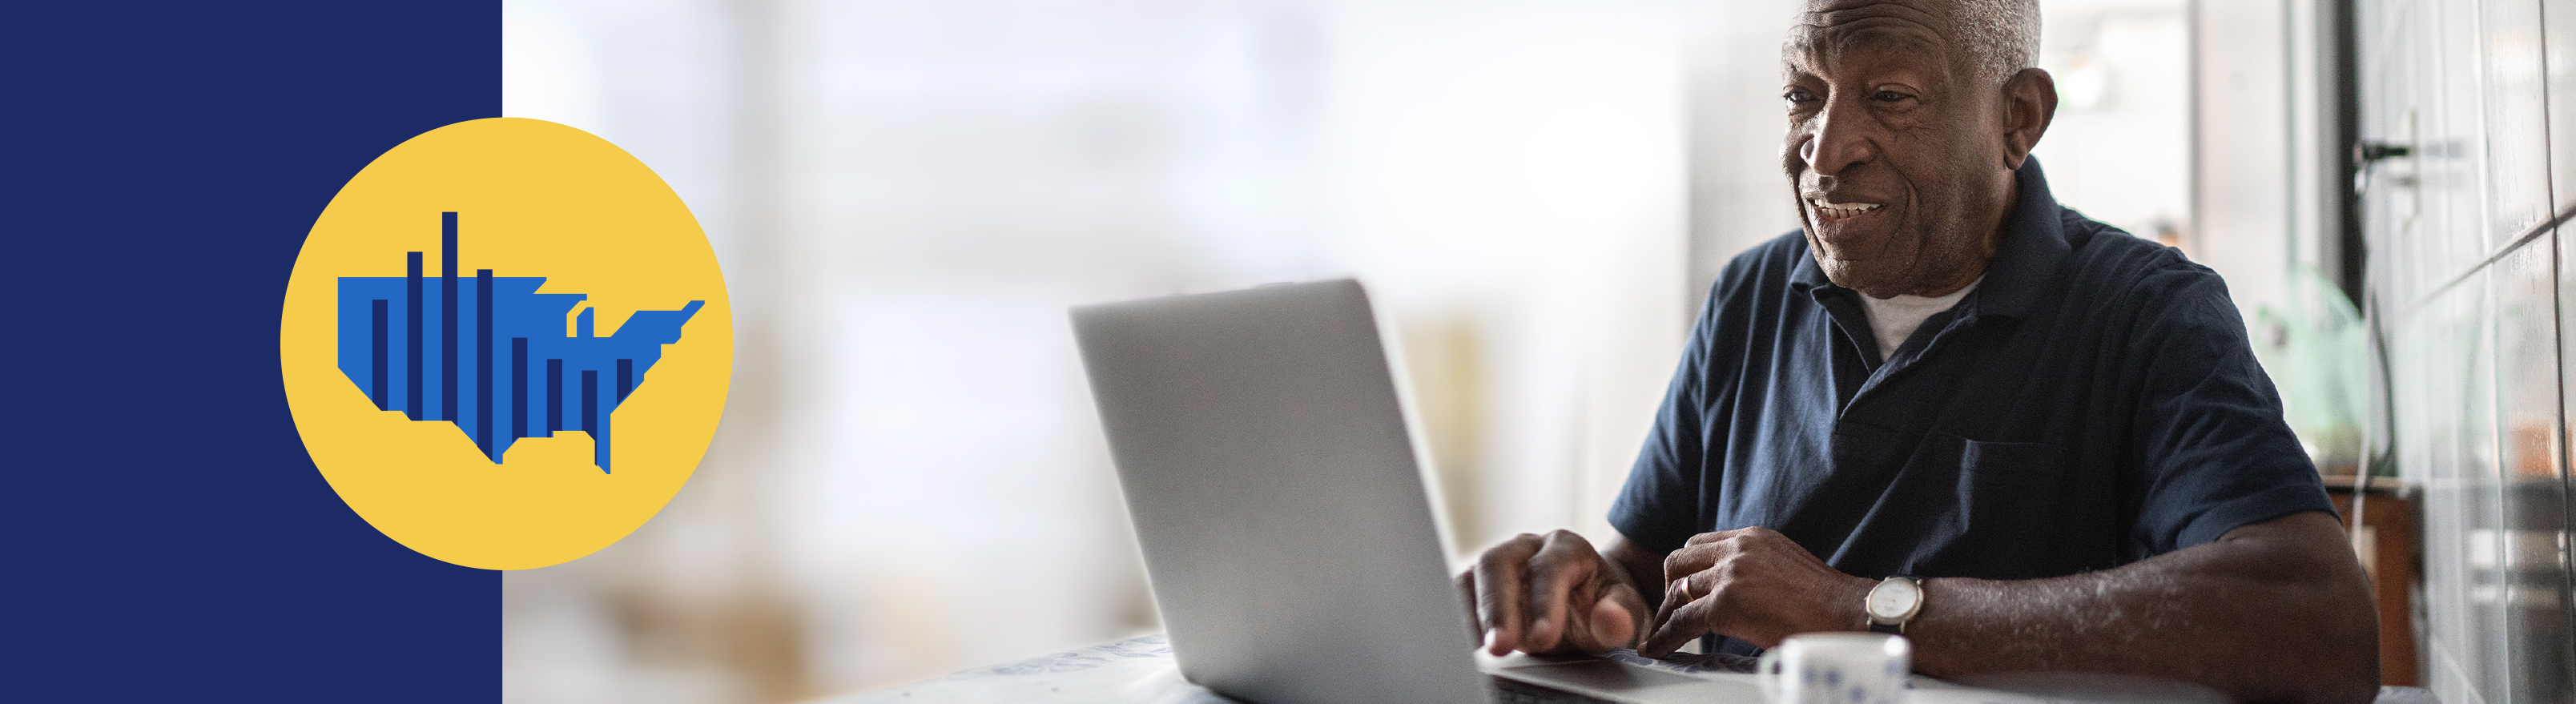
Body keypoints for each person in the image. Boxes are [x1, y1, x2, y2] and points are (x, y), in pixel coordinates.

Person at [1455, 1, 2381, 702]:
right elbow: (1644, 579)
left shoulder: (2149, 314)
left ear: (2018, 119)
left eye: (1889, 97)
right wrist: (1578, 598)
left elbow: (2317, 619)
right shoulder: (1750, 294)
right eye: (1803, 96)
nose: (1825, 152)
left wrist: (1858, 609)